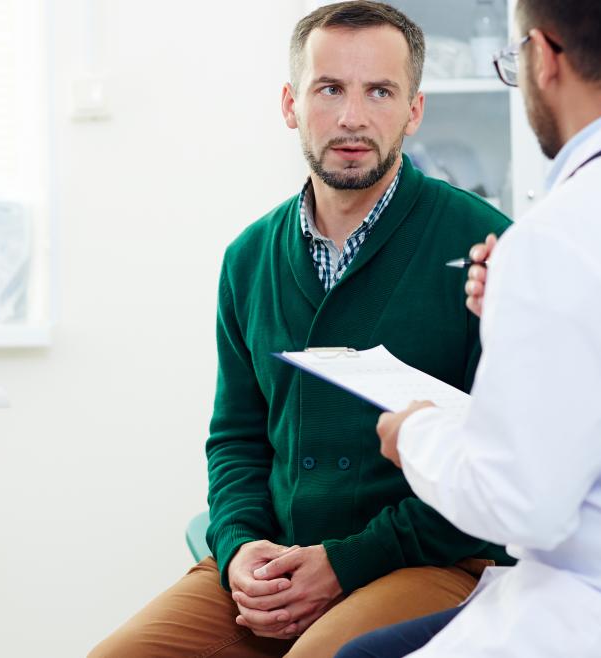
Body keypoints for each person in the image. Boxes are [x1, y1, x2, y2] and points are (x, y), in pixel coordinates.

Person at [89, 2, 513, 657]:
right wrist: (237, 555)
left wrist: (343, 564)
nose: (352, 117)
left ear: (414, 110)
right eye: (329, 89)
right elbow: (235, 441)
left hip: (428, 560)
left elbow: (502, 466)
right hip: (278, 565)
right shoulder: (249, 258)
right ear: (291, 105)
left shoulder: (485, 246)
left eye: (379, 91)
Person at [357, 0, 601, 656]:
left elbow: (519, 503)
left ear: (545, 57)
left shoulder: (559, 234)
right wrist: (521, 313)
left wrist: (414, 431)